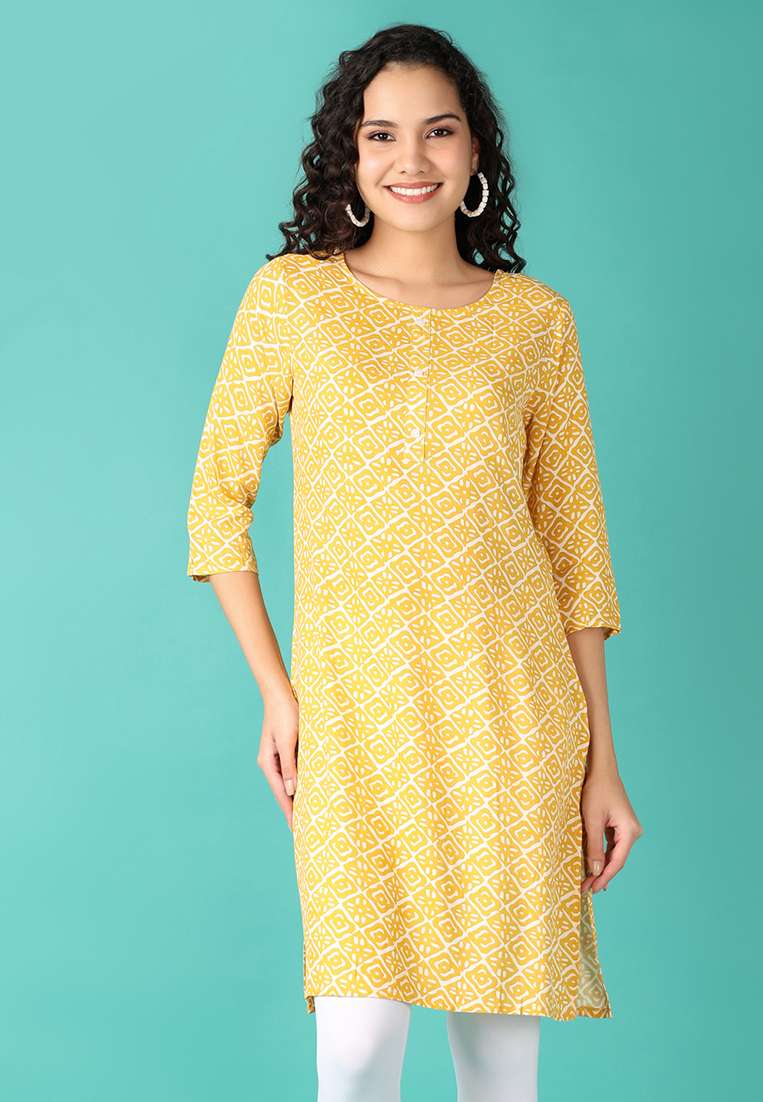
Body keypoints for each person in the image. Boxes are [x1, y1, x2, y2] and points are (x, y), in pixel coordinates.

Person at [185, 22, 644, 1102]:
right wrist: (277, 693)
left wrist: (602, 760)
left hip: (513, 717)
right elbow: (214, 504)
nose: (411, 159)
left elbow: (577, 549)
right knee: (355, 1050)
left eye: (438, 132)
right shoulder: (293, 299)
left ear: (475, 150)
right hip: (356, 717)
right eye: (381, 134)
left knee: (498, 1060)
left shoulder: (535, 324)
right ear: (346, 155)